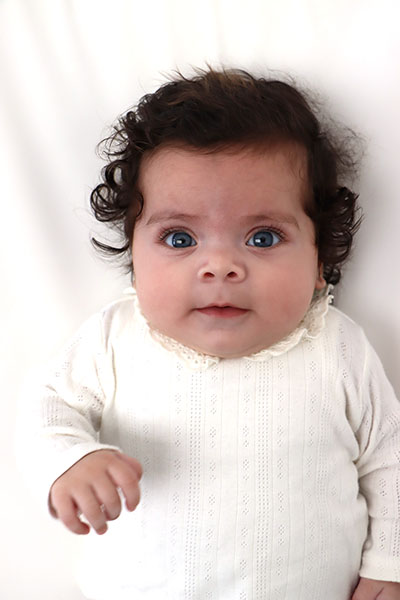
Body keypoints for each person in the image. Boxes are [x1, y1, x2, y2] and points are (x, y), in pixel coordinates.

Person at [19, 67, 400, 600]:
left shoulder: (337, 347)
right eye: (180, 239)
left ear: (320, 261)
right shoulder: (114, 339)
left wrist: (388, 564)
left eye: (263, 238)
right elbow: (47, 409)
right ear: (134, 259)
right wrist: (71, 459)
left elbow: (389, 459)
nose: (219, 266)